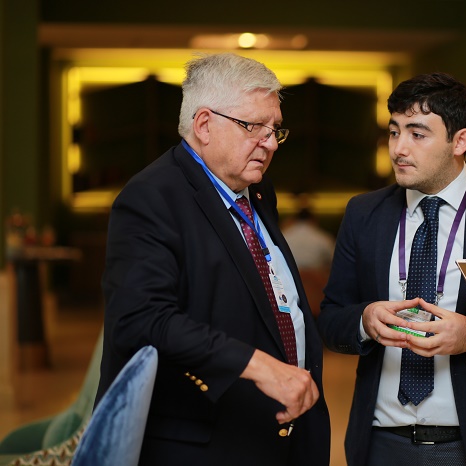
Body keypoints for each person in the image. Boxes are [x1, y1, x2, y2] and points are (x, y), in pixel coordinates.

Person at [96, 53, 330, 465]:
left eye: (275, 129)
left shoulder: (257, 192)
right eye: (254, 126)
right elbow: (140, 319)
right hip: (204, 444)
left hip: (282, 433)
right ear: (204, 124)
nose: (271, 142)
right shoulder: (152, 197)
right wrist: (260, 366)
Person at [317, 72, 466, 466]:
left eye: (417, 134)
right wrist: (364, 320)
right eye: (394, 132)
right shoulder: (364, 214)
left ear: (459, 141)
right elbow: (330, 318)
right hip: (380, 440)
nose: (399, 148)